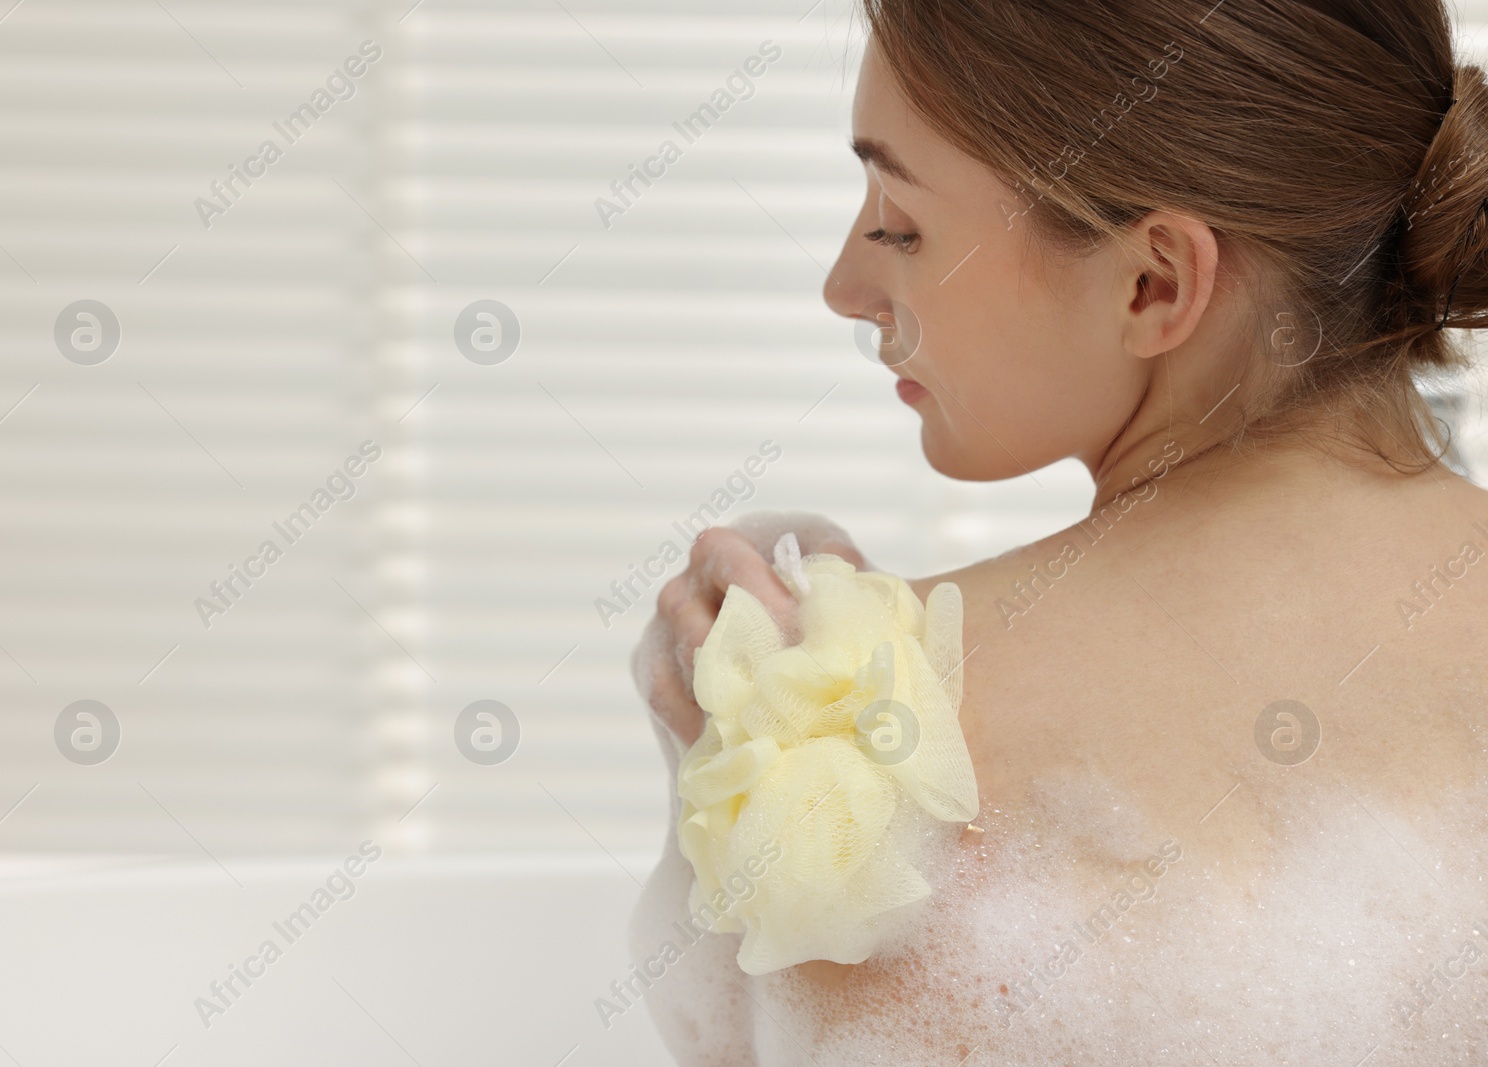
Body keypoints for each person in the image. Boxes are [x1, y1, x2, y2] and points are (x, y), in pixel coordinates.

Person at [629, 1, 1488, 1063]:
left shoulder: (896, 742)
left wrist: (754, 743)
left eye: (899, 222)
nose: (846, 286)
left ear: (1154, 281)